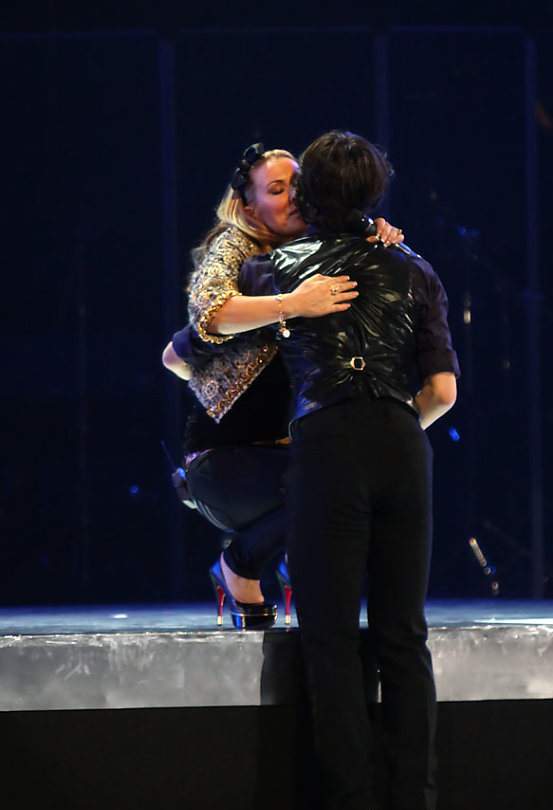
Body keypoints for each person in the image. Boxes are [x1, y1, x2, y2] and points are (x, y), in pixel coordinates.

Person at [238, 130, 459, 810]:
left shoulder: (277, 270)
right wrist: (389, 428)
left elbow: (195, 338)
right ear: (375, 194)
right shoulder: (415, 269)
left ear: (303, 198)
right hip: (402, 445)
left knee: (330, 642)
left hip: (328, 448)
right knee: (402, 639)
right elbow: (442, 394)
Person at [162, 143, 402, 627]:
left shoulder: (313, 244)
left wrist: (374, 233)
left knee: (355, 483)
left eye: (297, 183)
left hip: (290, 456)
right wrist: (292, 303)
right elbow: (208, 313)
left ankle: (290, 560)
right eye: (276, 189)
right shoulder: (236, 246)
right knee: (328, 488)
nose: (293, 195)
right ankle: (240, 565)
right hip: (226, 461)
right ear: (249, 207)